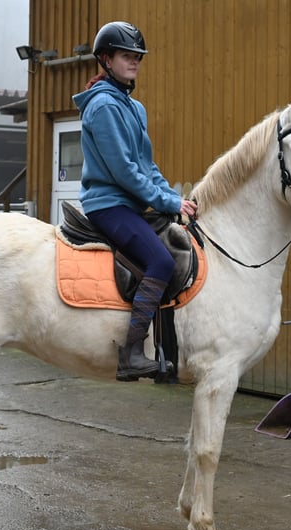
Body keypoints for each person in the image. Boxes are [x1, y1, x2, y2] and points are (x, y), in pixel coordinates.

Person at [72, 21, 197, 382]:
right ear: (106, 60)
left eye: (138, 57)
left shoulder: (134, 108)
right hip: (109, 205)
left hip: (132, 205)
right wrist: (166, 201)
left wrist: (174, 199)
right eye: (127, 57)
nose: (135, 63)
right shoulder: (104, 107)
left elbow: (146, 166)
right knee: (160, 260)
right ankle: (130, 353)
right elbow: (125, 172)